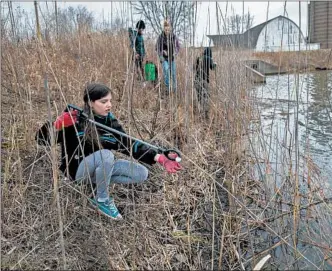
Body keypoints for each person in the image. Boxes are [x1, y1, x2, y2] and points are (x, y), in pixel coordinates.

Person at [36, 83, 182, 220]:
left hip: (100, 168)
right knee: (107, 155)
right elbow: (41, 140)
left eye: (110, 101)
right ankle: (102, 200)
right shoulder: (74, 120)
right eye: (104, 102)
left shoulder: (110, 123)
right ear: (90, 103)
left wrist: (159, 158)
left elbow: (128, 143)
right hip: (77, 171)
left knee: (141, 173)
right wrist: (56, 124)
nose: (109, 105)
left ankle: (100, 182)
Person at [156, 20, 180, 93]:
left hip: (171, 58)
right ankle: (167, 88)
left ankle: (175, 90)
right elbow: (157, 47)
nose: (167, 31)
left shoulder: (173, 36)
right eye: (165, 29)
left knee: (173, 73)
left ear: (170, 29)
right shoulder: (161, 37)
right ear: (163, 28)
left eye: (168, 30)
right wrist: (162, 52)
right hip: (164, 59)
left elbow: (178, 46)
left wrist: (175, 52)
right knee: (166, 71)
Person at [194, 47, 217, 119]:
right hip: (204, 81)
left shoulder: (199, 58)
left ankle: (199, 112)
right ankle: (205, 114)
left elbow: (194, 68)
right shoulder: (208, 58)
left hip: (196, 81)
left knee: (199, 97)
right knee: (206, 96)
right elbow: (212, 68)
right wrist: (215, 64)